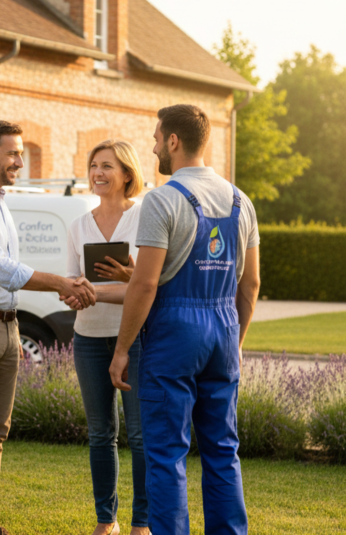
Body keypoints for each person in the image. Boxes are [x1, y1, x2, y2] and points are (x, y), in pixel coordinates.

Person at [105, 105, 260, 534]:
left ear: (173, 141)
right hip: (223, 329)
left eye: (157, 138)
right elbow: (250, 284)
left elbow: (144, 284)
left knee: (166, 453)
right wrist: (236, 343)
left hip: (175, 333)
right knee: (222, 450)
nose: (154, 146)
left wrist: (121, 349)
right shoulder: (241, 201)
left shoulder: (162, 200)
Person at [0, 119, 95, 535]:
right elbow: (2, 270)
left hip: (6, 326)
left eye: (21, 154)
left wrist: (64, 285)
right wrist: (62, 283)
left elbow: (8, 272)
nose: (20, 162)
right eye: (12, 153)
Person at [66, 139, 149, 535]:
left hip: (134, 338)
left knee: (140, 435)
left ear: (127, 174)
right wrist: (73, 294)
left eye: (107, 166)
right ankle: (106, 520)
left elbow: (146, 286)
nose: (97, 173)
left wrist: (100, 290)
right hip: (88, 337)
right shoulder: (78, 225)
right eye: (94, 165)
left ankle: (142, 523)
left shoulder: (144, 218)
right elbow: (73, 283)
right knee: (101, 434)